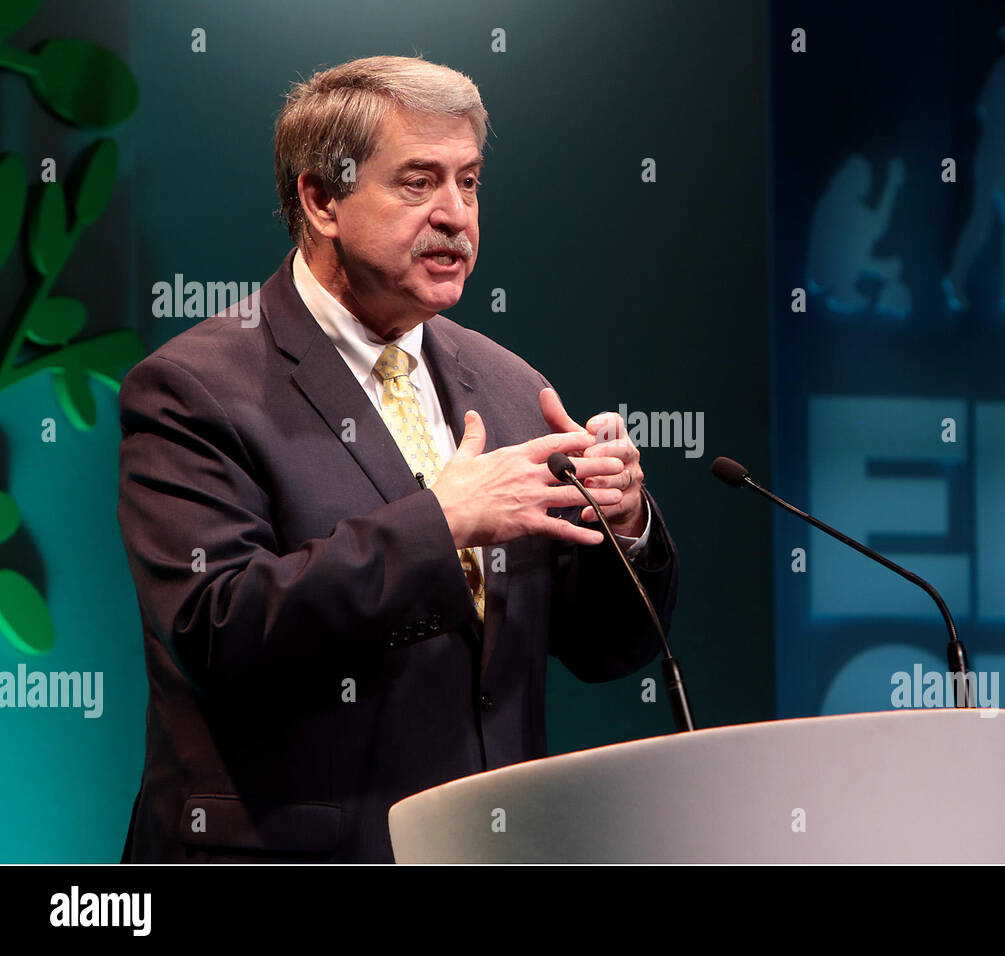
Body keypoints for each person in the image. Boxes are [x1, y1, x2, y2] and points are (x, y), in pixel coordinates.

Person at [116, 55, 678, 862]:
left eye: (470, 182)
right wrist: (441, 523)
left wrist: (624, 526)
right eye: (418, 183)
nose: (456, 215)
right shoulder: (195, 389)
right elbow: (218, 631)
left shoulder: (509, 385)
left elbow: (607, 651)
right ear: (321, 199)